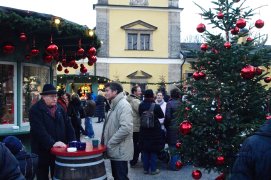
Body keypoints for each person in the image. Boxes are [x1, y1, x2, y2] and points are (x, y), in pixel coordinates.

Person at [29, 84, 76, 180]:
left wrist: (73, 141)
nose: (55, 99)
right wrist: (52, 143)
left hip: (59, 149)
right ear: (43, 97)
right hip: (41, 150)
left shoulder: (60, 108)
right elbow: (39, 131)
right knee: (42, 175)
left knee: (58, 174)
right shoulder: (35, 110)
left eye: (56, 96)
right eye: (51, 96)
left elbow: (68, 125)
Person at [101, 82, 133, 180]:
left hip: (119, 149)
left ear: (115, 92)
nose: (105, 93)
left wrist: (111, 143)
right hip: (116, 149)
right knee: (117, 176)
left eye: (107, 91)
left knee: (120, 177)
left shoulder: (123, 105)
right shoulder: (115, 103)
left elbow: (126, 128)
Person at [139, 89, 165, 175]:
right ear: (152, 96)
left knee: (145, 150)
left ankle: (145, 169)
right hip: (154, 131)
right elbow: (162, 116)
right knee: (153, 150)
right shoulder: (156, 106)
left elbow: (140, 115)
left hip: (144, 130)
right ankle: (153, 170)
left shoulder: (141, 105)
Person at [164, 88, 182, 171]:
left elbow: (167, 117)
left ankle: (173, 165)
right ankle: (178, 163)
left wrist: (166, 125)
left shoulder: (169, 103)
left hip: (172, 127)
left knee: (172, 146)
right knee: (179, 146)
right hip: (181, 127)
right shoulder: (181, 103)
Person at [126, 85, 142, 167]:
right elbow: (141, 111)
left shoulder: (128, 99)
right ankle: (134, 160)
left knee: (133, 144)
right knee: (137, 144)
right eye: (139, 91)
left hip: (131, 125)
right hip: (136, 126)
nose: (140, 92)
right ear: (134, 92)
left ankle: (132, 160)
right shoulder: (135, 101)